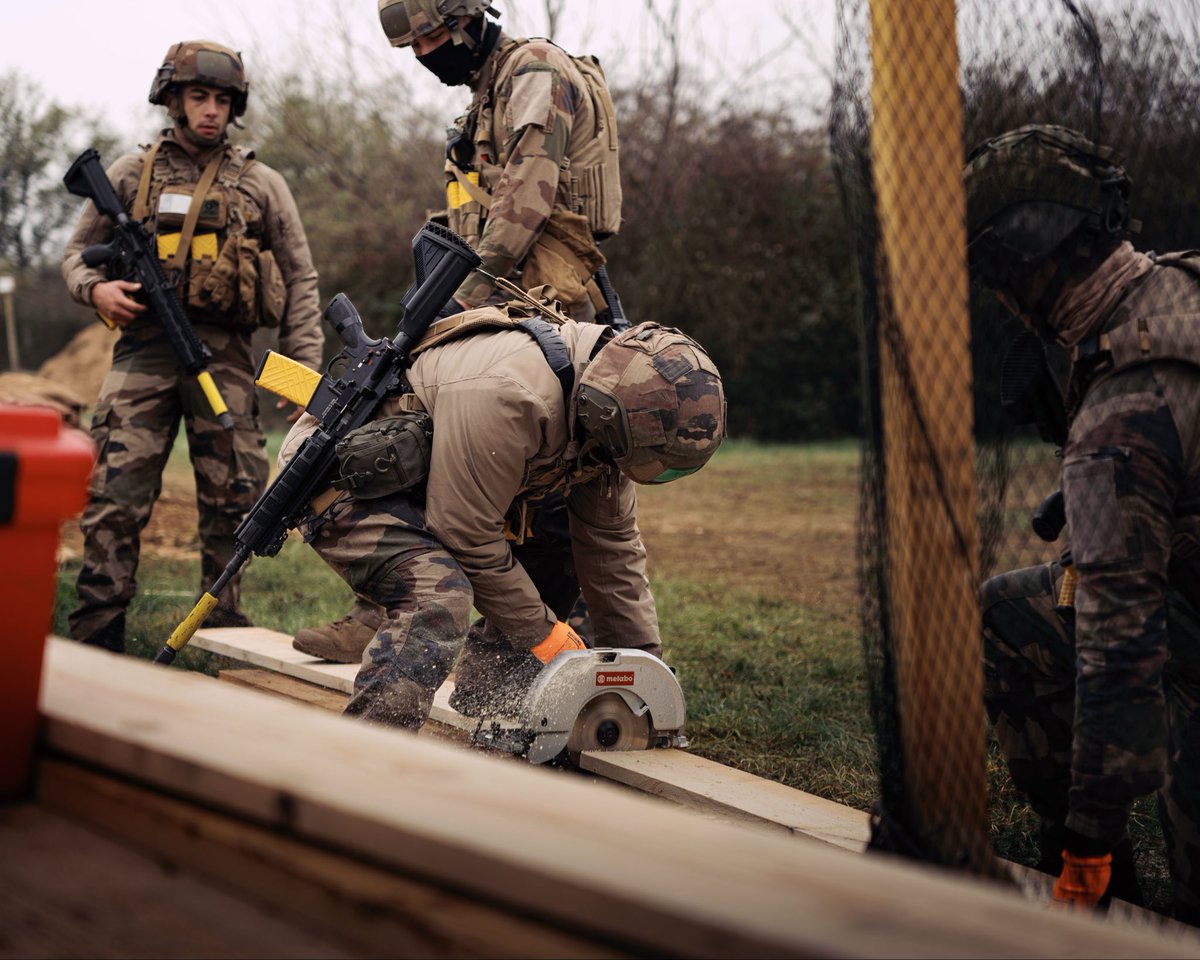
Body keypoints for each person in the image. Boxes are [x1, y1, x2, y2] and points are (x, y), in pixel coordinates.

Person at [291, 0, 624, 660]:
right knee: (416, 434)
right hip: (499, 298)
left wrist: (448, 309)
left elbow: (526, 201)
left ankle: (542, 636)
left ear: (472, 19)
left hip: (542, 305)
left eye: (436, 38)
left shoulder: (531, 70)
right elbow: (470, 216)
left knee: (546, 485)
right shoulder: (485, 94)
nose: (425, 54)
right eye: (414, 46)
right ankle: (396, 600)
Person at [279, 303, 724, 728]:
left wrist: (645, 671)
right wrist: (548, 637)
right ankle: (369, 753)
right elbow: (466, 536)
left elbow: (611, 551)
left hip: (434, 479)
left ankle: (489, 699)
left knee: (558, 543)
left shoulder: (617, 402)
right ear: (605, 415)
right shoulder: (515, 395)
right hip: (342, 475)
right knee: (438, 597)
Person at [966, 124, 1200, 923]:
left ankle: (1107, 883)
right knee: (1012, 610)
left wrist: (1088, 837)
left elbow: (1120, 641)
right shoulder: (1182, 287)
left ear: (1020, 270)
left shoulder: (1121, 415)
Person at [62, 41, 325, 653]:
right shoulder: (130, 174)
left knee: (236, 498)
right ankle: (95, 638)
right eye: (199, 96)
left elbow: (301, 277)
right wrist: (96, 291)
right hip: (144, 350)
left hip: (226, 356)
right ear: (173, 99)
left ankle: (224, 637)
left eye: (222, 100)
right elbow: (77, 255)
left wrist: (301, 376)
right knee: (113, 495)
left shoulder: (263, 183)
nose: (211, 110)